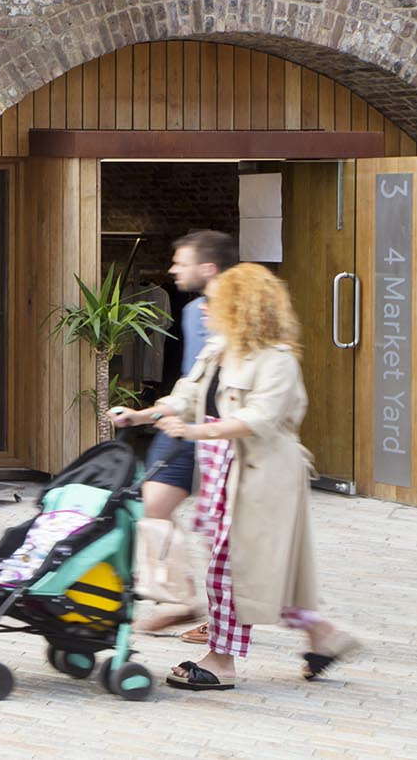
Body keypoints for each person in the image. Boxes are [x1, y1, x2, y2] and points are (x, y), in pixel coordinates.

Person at [110, 263, 362, 690]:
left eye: (214, 302)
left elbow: (257, 420)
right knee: (255, 570)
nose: (203, 309)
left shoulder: (276, 361)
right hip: (222, 470)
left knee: (231, 570)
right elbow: (188, 395)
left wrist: (195, 431)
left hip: (260, 476)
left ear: (240, 307)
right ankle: (324, 637)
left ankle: (222, 662)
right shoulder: (220, 349)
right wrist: (142, 415)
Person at [134, 229, 234, 640]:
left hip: (222, 431)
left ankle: (315, 629)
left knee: (229, 536)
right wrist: (153, 412)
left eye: (182, 262)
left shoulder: (237, 313)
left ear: (207, 268)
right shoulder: (194, 311)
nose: (173, 269)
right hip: (183, 422)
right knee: (152, 504)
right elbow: (192, 378)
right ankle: (179, 596)